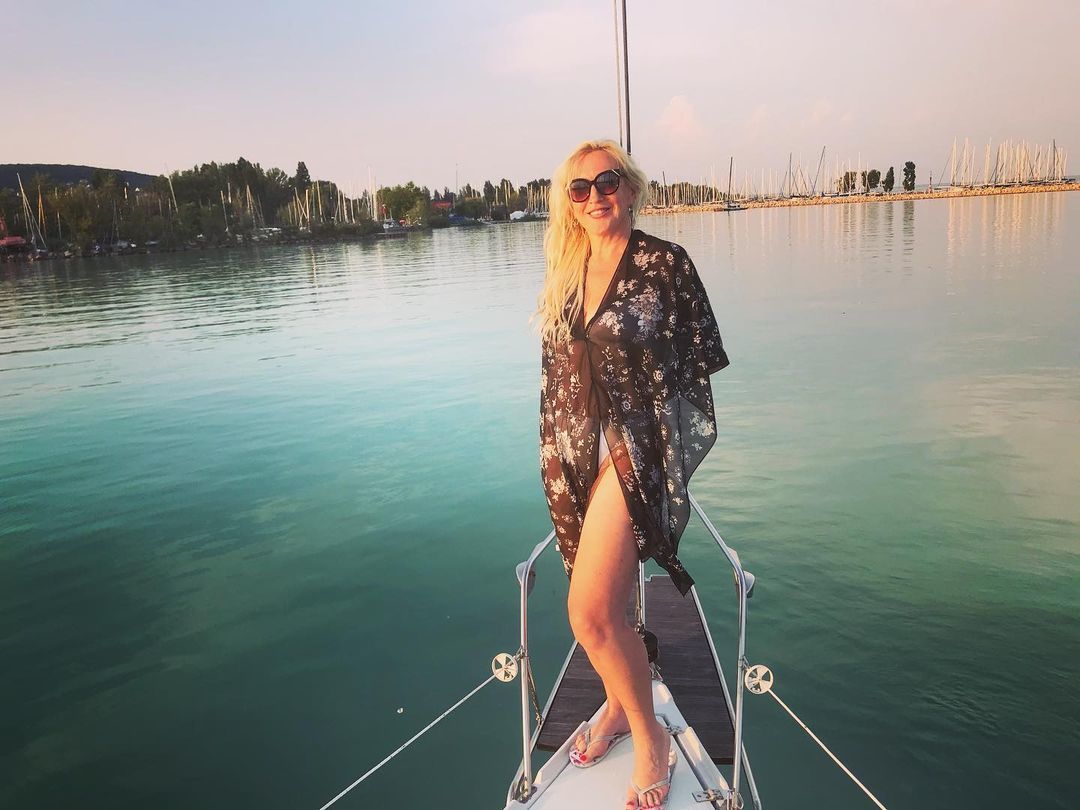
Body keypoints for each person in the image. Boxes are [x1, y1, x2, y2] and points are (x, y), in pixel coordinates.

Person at [535, 139, 729, 810]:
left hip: (633, 450)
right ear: (568, 203)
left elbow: (695, 363)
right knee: (610, 605)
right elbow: (555, 376)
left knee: (588, 614)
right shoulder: (566, 270)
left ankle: (652, 741)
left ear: (632, 187)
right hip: (574, 453)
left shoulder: (664, 263)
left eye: (607, 181)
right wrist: (554, 457)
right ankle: (619, 707)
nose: (595, 196)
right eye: (579, 188)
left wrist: (657, 441)